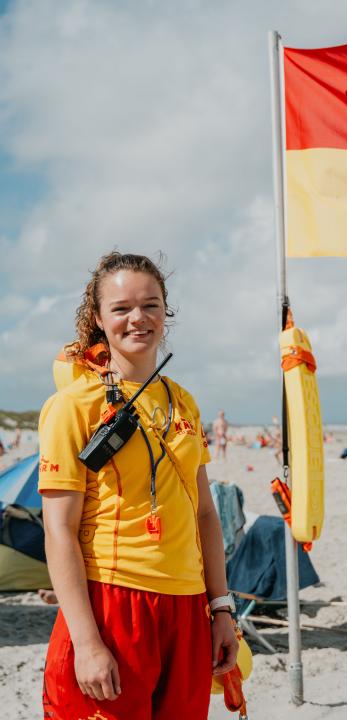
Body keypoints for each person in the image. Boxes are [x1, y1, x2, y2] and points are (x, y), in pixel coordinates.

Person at [38, 252, 238, 719]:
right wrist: (87, 643)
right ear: (98, 318)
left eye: (151, 304)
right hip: (111, 602)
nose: (138, 318)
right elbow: (58, 532)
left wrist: (221, 609)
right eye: (122, 307)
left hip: (188, 609)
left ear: (166, 312)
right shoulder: (74, 405)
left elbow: (205, 514)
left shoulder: (182, 401)